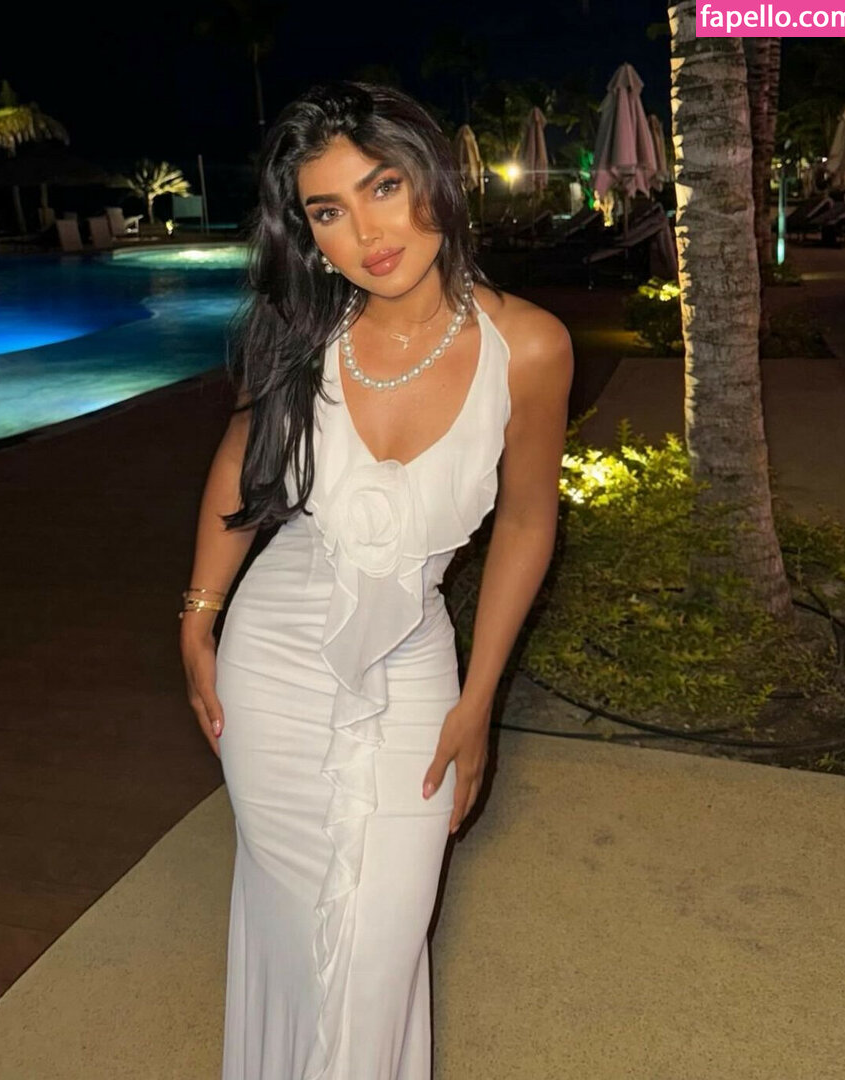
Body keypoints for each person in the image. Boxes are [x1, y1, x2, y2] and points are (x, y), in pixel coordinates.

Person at [179, 80, 573, 1080]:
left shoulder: (528, 347)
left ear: (430, 178)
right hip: (272, 665)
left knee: (376, 957)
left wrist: (479, 699)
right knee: (295, 936)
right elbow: (240, 456)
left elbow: (528, 520)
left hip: (411, 670)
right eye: (328, 210)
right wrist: (199, 616)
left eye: (383, 187)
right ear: (307, 234)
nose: (367, 232)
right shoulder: (304, 331)